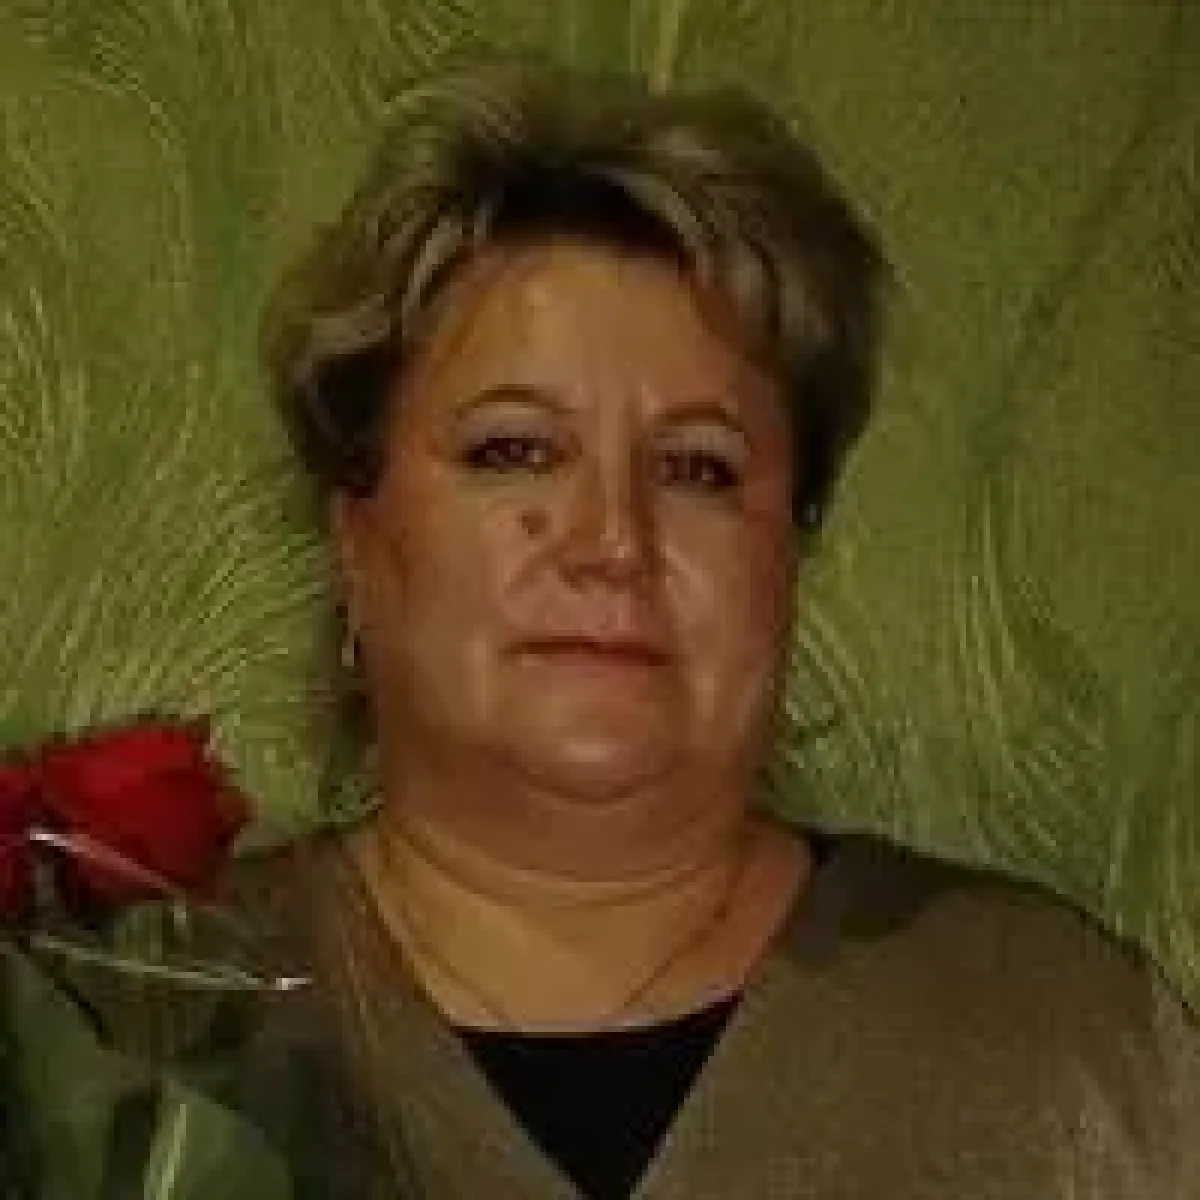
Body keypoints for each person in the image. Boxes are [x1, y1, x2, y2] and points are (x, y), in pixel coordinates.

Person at [251, 58, 1199, 1198]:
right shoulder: (136, 1024)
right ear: (356, 537)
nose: (612, 540)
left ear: (788, 552)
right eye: (515, 450)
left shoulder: (1070, 1048)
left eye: (699, 469)